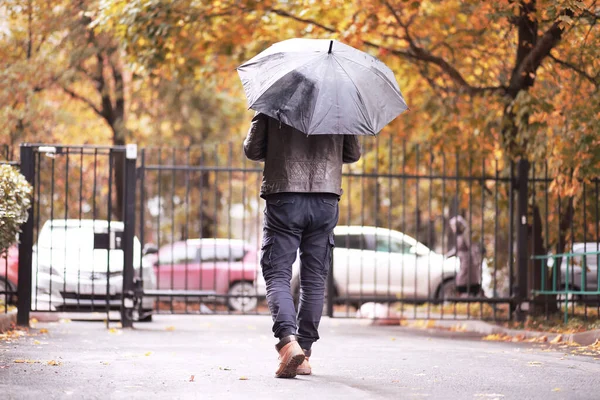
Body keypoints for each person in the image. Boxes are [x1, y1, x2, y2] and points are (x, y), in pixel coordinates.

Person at [243, 111, 361, 378]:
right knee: (314, 278)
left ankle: (288, 342)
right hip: (325, 198)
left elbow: (252, 149)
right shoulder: (340, 106)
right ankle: (304, 352)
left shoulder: (274, 102)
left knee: (277, 273)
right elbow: (352, 154)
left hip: (284, 195)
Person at [446, 215, 483, 297]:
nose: (452, 228)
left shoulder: (466, 235)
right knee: (463, 280)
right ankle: (466, 298)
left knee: (464, 281)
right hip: (463, 262)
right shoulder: (459, 236)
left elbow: (472, 247)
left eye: (453, 226)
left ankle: (469, 298)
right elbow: (456, 249)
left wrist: (476, 261)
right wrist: (447, 256)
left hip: (469, 262)